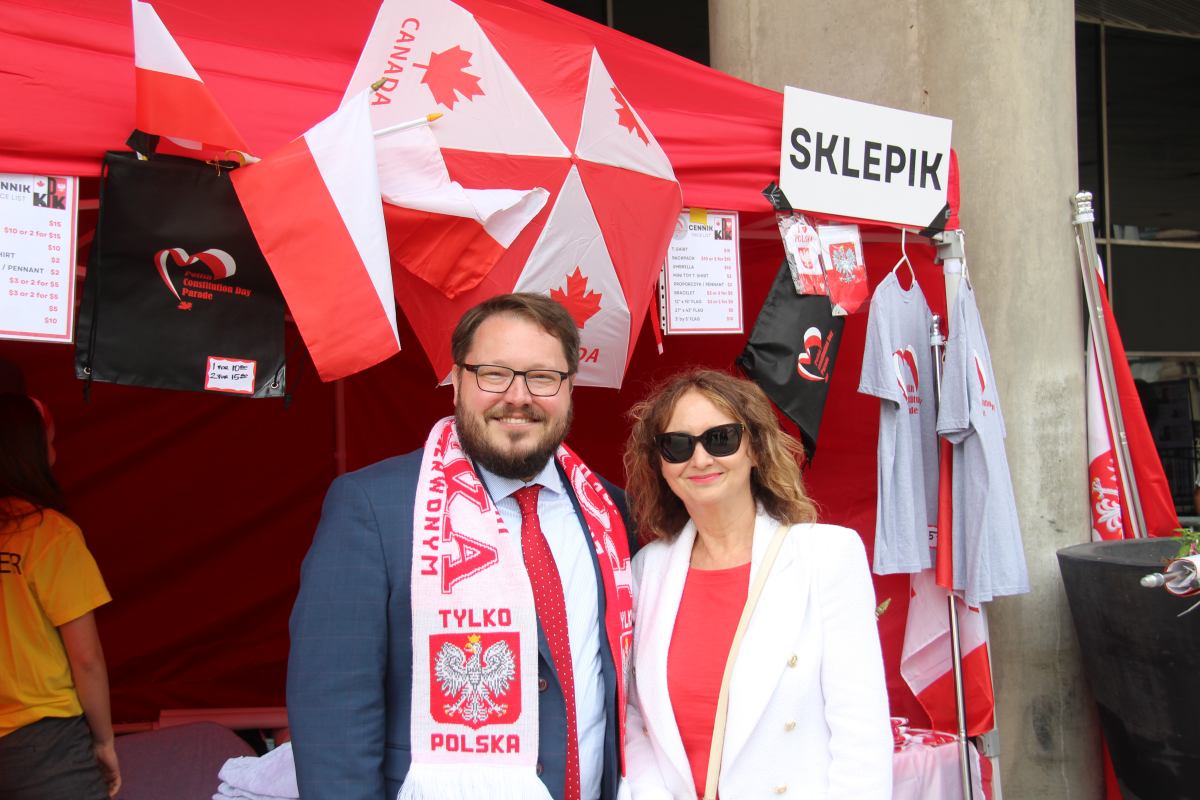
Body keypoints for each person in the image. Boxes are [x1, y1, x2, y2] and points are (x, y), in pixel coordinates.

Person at [288, 293, 636, 800]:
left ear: (569, 387)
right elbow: (333, 712)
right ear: (456, 381)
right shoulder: (373, 508)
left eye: (542, 377)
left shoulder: (612, 513)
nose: (518, 396)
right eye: (494, 374)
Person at [620, 370, 892, 799]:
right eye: (678, 445)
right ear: (660, 464)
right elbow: (635, 716)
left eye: (721, 439)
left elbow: (861, 738)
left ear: (755, 450)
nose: (700, 459)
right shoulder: (646, 570)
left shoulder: (826, 556)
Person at [0, 392, 121, 799]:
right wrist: (104, 741)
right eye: (50, 443)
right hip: (44, 744)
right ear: (28, 455)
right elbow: (86, 659)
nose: (55, 454)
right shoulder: (51, 534)